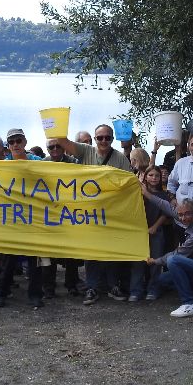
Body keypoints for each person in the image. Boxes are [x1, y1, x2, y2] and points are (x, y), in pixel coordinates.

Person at [58, 124, 133, 304]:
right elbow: (62, 142)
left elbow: (128, 184)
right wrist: (55, 122)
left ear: (112, 139)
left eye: (107, 137)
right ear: (95, 138)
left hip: (111, 213)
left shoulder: (121, 159)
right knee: (91, 252)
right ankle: (91, 288)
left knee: (112, 251)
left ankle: (113, 285)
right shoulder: (86, 151)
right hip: (88, 213)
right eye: (100, 138)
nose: (103, 141)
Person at [141, 195, 193, 318]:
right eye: (180, 215)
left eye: (186, 214)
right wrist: (147, 193)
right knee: (163, 279)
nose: (183, 218)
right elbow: (166, 206)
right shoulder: (190, 219)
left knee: (173, 261)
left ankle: (189, 303)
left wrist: (155, 261)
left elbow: (176, 254)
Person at [0, 128, 48, 308]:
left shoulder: (38, 162)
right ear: (8, 146)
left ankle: (35, 295)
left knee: (34, 259)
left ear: (24, 142)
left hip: (34, 216)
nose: (15, 144)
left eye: (18, 141)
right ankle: (1, 292)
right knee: (8, 258)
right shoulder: (3, 164)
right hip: (12, 217)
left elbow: (53, 174)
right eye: (12, 142)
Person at [44, 137, 81, 296]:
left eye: (58, 146)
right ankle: (49, 287)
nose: (55, 149)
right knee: (50, 252)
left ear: (63, 147)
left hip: (69, 212)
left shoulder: (73, 162)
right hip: (49, 212)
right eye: (51, 147)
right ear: (47, 150)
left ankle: (71, 284)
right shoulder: (42, 164)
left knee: (71, 251)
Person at [129, 165, 171, 301]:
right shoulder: (138, 193)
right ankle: (136, 290)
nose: (154, 178)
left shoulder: (164, 194)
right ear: (145, 177)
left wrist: (155, 227)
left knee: (155, 262)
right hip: (139, 233)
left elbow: (165, 213)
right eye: (151, 175)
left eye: (157, 176)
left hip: (156, 232)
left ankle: (153, 289)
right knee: (138, 262)